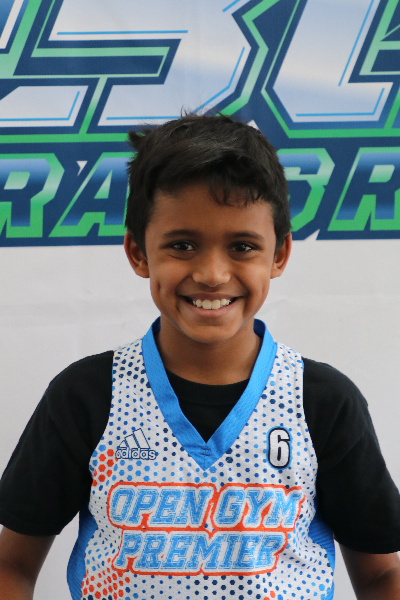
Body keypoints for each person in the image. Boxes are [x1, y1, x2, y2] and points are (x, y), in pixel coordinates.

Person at [0, 115, 400, 600]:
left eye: (242, 246)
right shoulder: (87, 395)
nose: (212, 274)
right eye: (183, 245)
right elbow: (12, 564)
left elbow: (381, 575)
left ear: (279, 254)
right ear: (138, 252)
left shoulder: (321, 402)